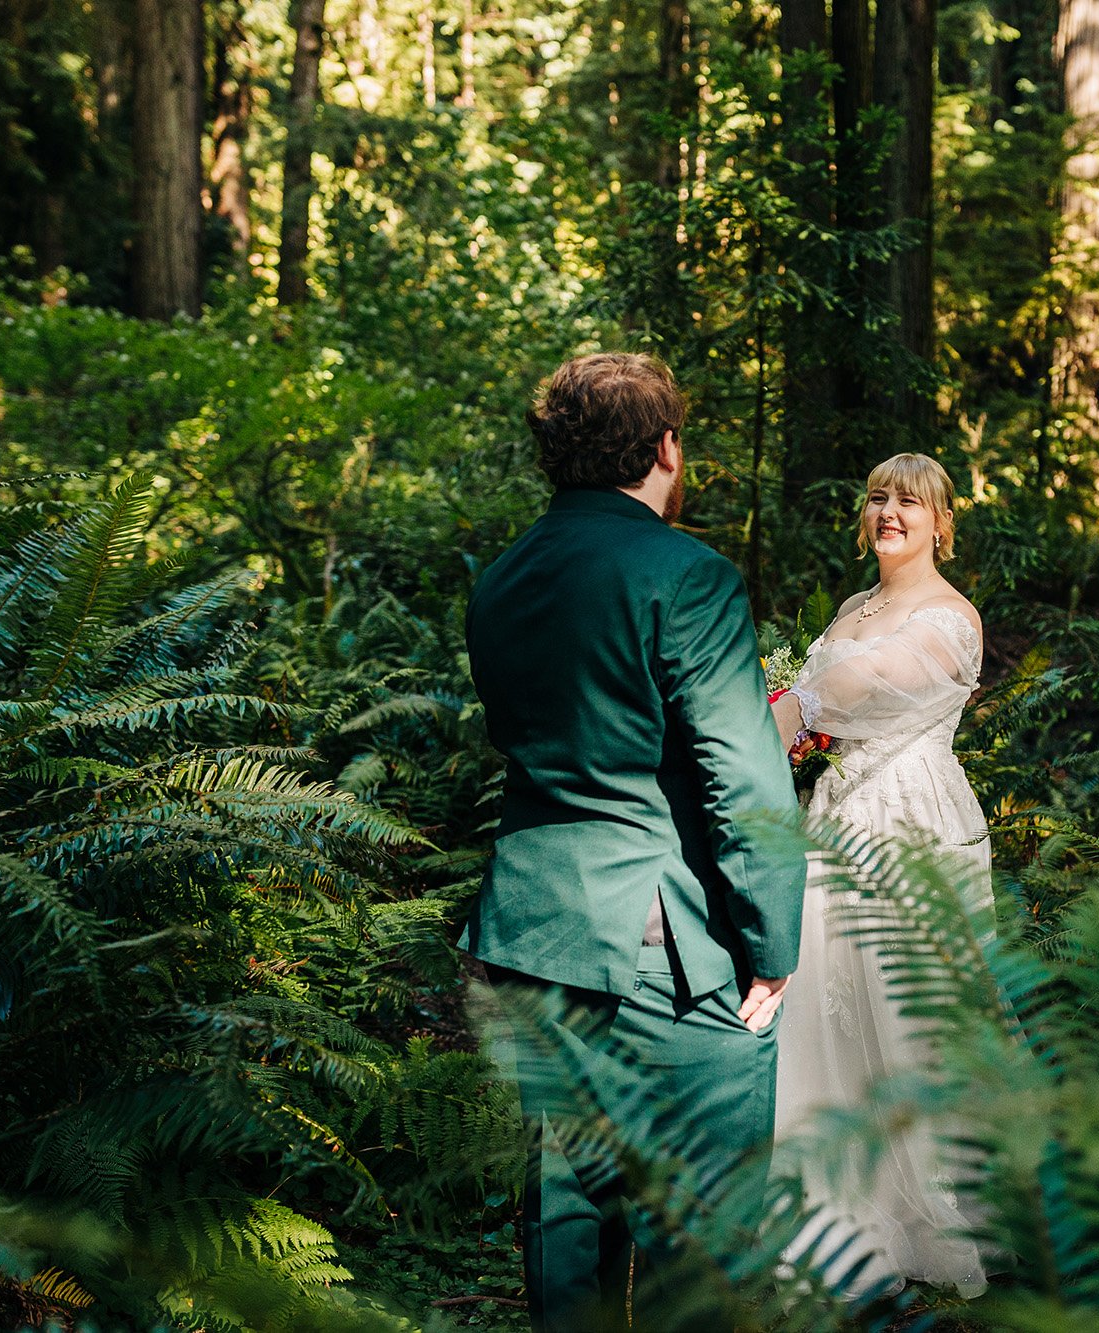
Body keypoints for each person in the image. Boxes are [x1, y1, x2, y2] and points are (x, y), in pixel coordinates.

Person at [463, 352, 807, 1332]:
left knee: (566, 1207)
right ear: (665, 448)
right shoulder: (685, 574)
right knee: (702, 1232)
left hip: (533, 931)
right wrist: (772, 944)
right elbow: (745, 780)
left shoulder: (502, 578)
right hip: (663, 947)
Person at [769, 451, 992, 1296]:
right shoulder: (852, 606)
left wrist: (784, 711)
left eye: (909, 501)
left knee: (905, 1010)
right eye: (876, 498)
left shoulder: (952, 616)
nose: (889, 512)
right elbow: (830, 698)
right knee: (823, 996)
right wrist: (794, 728)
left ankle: (925, 1211)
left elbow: (870, 682)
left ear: (941, 522)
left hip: (909, 819)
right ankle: (825, 1197)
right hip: (833, 817)